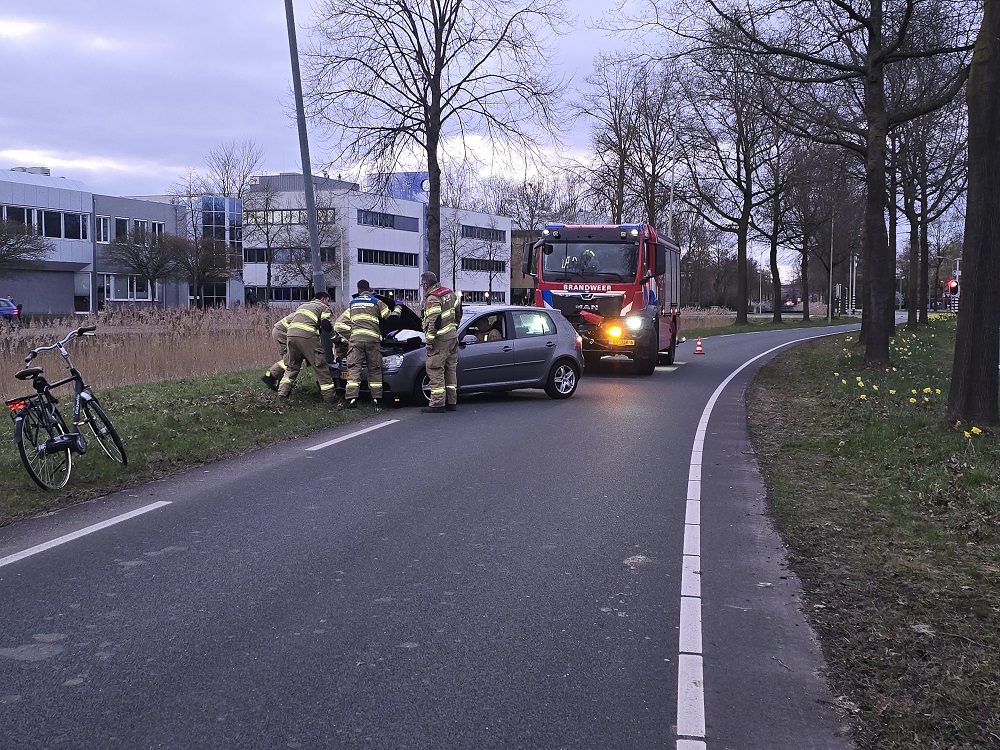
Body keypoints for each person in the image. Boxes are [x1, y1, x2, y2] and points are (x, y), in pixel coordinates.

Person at [333, 280, 399, 411]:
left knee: (353, 370)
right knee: (374, 370)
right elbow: (392, 320)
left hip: (356, 341)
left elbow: (345, 324)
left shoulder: (353, 303)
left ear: (358, 290)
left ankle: (351, 402)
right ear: (369, 288)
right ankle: (376, 402)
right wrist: (398, 307)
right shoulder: (376, 301)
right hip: (372, 341)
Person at [277, 291, 338, 405]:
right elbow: (326, 324)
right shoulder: (323, 307)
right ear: (323, 299)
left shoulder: (303, 306)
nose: (329, 304)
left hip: (290, 336)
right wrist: (336, 339)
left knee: (292, 367)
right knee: (321, 367)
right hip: (307, 337)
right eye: (328, 301)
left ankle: (282, 394)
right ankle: (330, 399)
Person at [420, 271, 461, 413]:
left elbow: (433, 322)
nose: (422, 287)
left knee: (435, 369)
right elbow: (458, 313)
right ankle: (452, 402)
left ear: (426, 285)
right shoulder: (450, 293)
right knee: (450, 369)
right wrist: (454, 327)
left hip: (439, 340)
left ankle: (437, 403)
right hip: (452, 337)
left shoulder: (433, 298)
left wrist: (429, 342)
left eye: (422, 285)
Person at [260, 312, 294, 391]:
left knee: (291, 360)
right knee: (289, 360)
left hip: (284, 332)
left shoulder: (306, 311)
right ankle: (269, 376)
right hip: (282, 333)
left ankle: (278, 381)